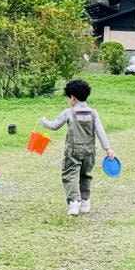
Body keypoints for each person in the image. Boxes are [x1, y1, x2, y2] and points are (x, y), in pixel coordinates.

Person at [41, 78, 116, 217]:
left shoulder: (68, 112)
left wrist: (44, 121)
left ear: (73, 98)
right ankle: (86, 202)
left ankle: (74, 203)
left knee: (70, 175)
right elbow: (100, 131)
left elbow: (54, 126)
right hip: (89, 151)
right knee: (86, 175)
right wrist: (108, 148)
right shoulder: (93, 113)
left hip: (73, 151)